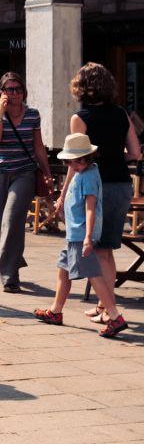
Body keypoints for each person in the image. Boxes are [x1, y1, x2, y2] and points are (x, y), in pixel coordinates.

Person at [62, 63, 141, 325]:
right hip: (121, 184)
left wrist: (63, 195)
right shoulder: (121, 113)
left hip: (96, 186)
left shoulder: (80, 118)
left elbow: (77, 161)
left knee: (100, 251)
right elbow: (136, 154)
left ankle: (110, 309)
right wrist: (116, 156)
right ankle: (103, 304)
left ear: (81, 87)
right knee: (107, 247)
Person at [35, 133, 128, 338]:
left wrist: (87, 237)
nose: (75, 165)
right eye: (72, 161)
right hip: (74, 234)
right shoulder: (86, 172)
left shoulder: (87, 177)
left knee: (93, 275)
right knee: (63, 269)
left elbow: (90, 208)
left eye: (79, 160)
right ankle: (56, 310)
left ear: (89, 158)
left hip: (80, 235)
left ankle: (114, 316)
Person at [0, 72, 55, 293]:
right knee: (0, 223)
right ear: (1, 92)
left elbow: (38, 146)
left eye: (17, 89)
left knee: (12, 219)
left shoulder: (33, 114)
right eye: (8, 89)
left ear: (24, 92)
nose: (13, 94)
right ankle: (14, 259)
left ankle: (9, 276)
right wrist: (1, 113)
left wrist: (47, 172)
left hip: (24, 172)